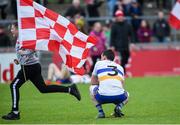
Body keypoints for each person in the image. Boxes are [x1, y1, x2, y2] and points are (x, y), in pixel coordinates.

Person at [1, 23, 81, 120]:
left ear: (19, 29)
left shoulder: (25, 38)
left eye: (13, 28)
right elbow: (26, 52)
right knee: (43, 89)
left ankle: (15, 112)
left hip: (29, 67)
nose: (11, 30)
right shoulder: (20, 39)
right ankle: (70, 89)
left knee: (13, 85)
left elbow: (34, 48)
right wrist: (19, 60)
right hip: (32, 66)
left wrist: (24, 53)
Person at [89, 49, 129, 118]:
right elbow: (122, 86)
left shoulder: (98, 63)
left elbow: (93, 82)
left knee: (91, 88)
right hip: (119, 96)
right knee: (127, 94)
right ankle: (118, 108)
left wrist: (102, 83)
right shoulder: (120, 67)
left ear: (104, 57)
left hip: (102, 96)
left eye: (101, 57)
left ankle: (101, 112)